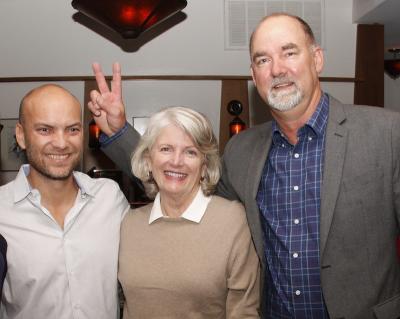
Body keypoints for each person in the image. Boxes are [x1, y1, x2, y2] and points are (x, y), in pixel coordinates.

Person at [88, 14, 400, 319]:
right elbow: (180, 184)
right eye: (263, 60)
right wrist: (118, 132)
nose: (277, 69)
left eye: (289, 53)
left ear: (317, 59)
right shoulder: (242, 150)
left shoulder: (386, 133)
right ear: (254, 75)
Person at [0, 84, 129, 318]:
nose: (61, 143)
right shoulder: (2, 213)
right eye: (45, 130)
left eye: (72, 129)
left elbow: (168, 188)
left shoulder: (109, 198)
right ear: (21, 135)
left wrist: (122, 136)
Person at [118, 106, 260, 318]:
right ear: (148, 159)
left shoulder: (232, 221)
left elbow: (244, 311)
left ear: (204, 166)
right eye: (166, 149)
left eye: (190, 152)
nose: (176, 161)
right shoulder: (129, 223)